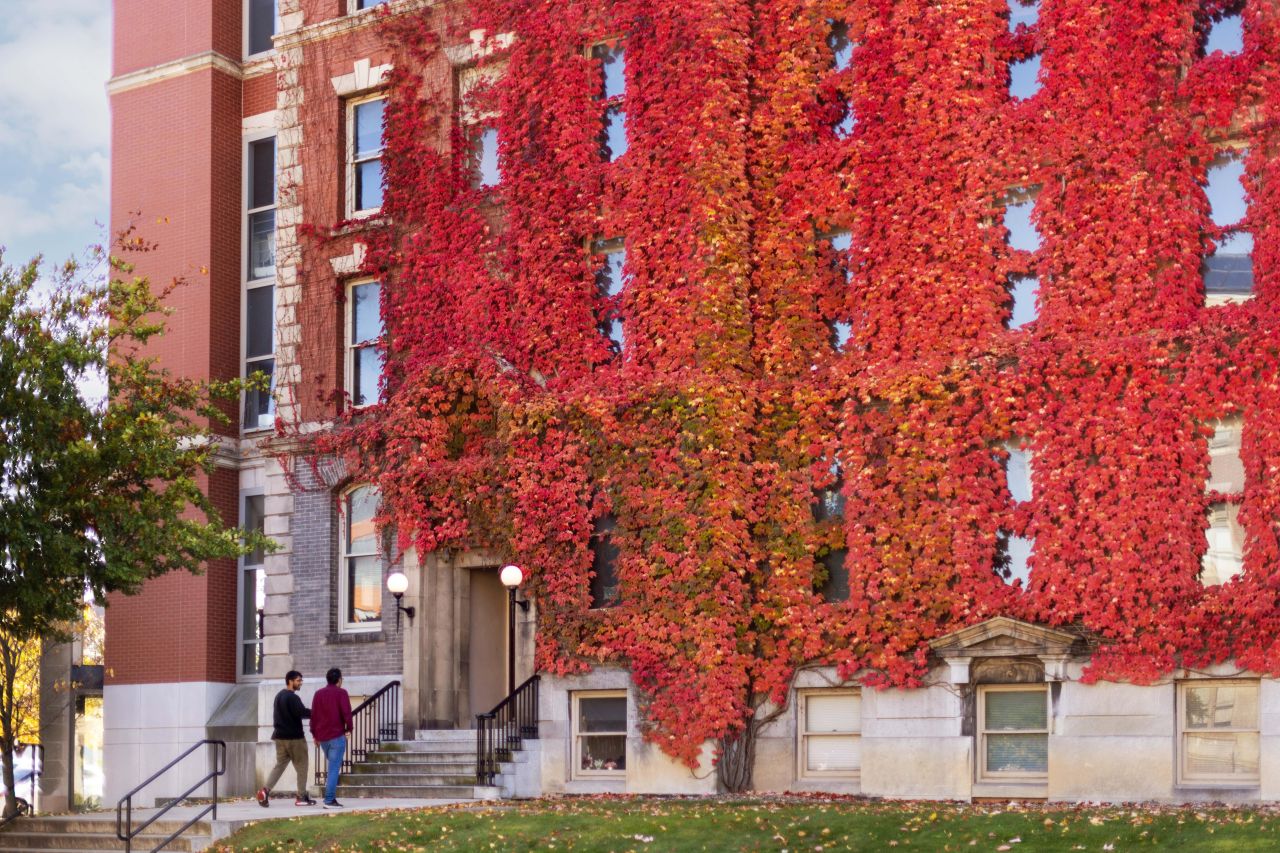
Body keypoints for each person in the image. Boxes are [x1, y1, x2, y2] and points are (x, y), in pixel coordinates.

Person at [256, 670, 315, 807]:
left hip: (279, 738)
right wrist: (317, 712)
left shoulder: (279, 696)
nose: (300, 683)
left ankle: (265, 791)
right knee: (302, 766)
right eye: (298, 680)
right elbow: (302, 713)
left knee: (279, 766)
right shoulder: (293, 697)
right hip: (295, 738)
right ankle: (301, 797)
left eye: (301, 680)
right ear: (290, 681)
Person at [310, 667, 353, 809]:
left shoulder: (318, 694)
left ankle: (330, 798)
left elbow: (314, 716)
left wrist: (314, 735)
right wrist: (349, 728)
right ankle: (329, 800)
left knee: (332, 767)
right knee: (334, 768)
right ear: (339, 680)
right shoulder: (341, 693)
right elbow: (347, 713)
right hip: (336, 736)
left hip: (322, 738)